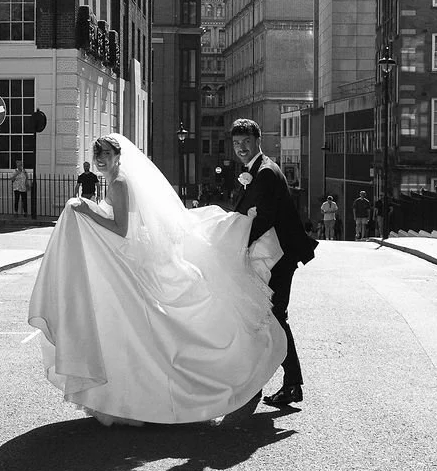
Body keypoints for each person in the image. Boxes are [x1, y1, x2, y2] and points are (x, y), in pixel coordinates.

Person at [28, 135, 286, 425]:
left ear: (118, 156)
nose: (100, 158)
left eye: (106, 153)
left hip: (130, 258)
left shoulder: (119, 183)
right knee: (128, 328)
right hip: (128, 256)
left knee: (141, 329)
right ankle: (131, 397)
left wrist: (88, 210)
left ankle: (148, 397)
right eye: (97, 153)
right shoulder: (114, 181)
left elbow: (121, 228)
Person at [230, 118, 317, 411]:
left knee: (275, 317)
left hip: (279, 257)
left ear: (258, 141)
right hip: (274, 256)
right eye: (236, 143)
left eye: (246, 142)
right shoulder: (256, 169)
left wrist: (235, 243)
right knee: (266, 317)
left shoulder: (265, 172)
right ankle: (262, 382)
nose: (241, 148)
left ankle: (291, 383)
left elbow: (264, 219)